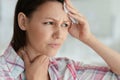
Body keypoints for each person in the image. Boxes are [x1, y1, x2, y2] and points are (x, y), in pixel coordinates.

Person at [0, 0, 120, 80]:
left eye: (64, 25)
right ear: (23, 22)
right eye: (49, 23)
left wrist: (88, 38)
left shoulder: (66, 69)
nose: (59, 35)